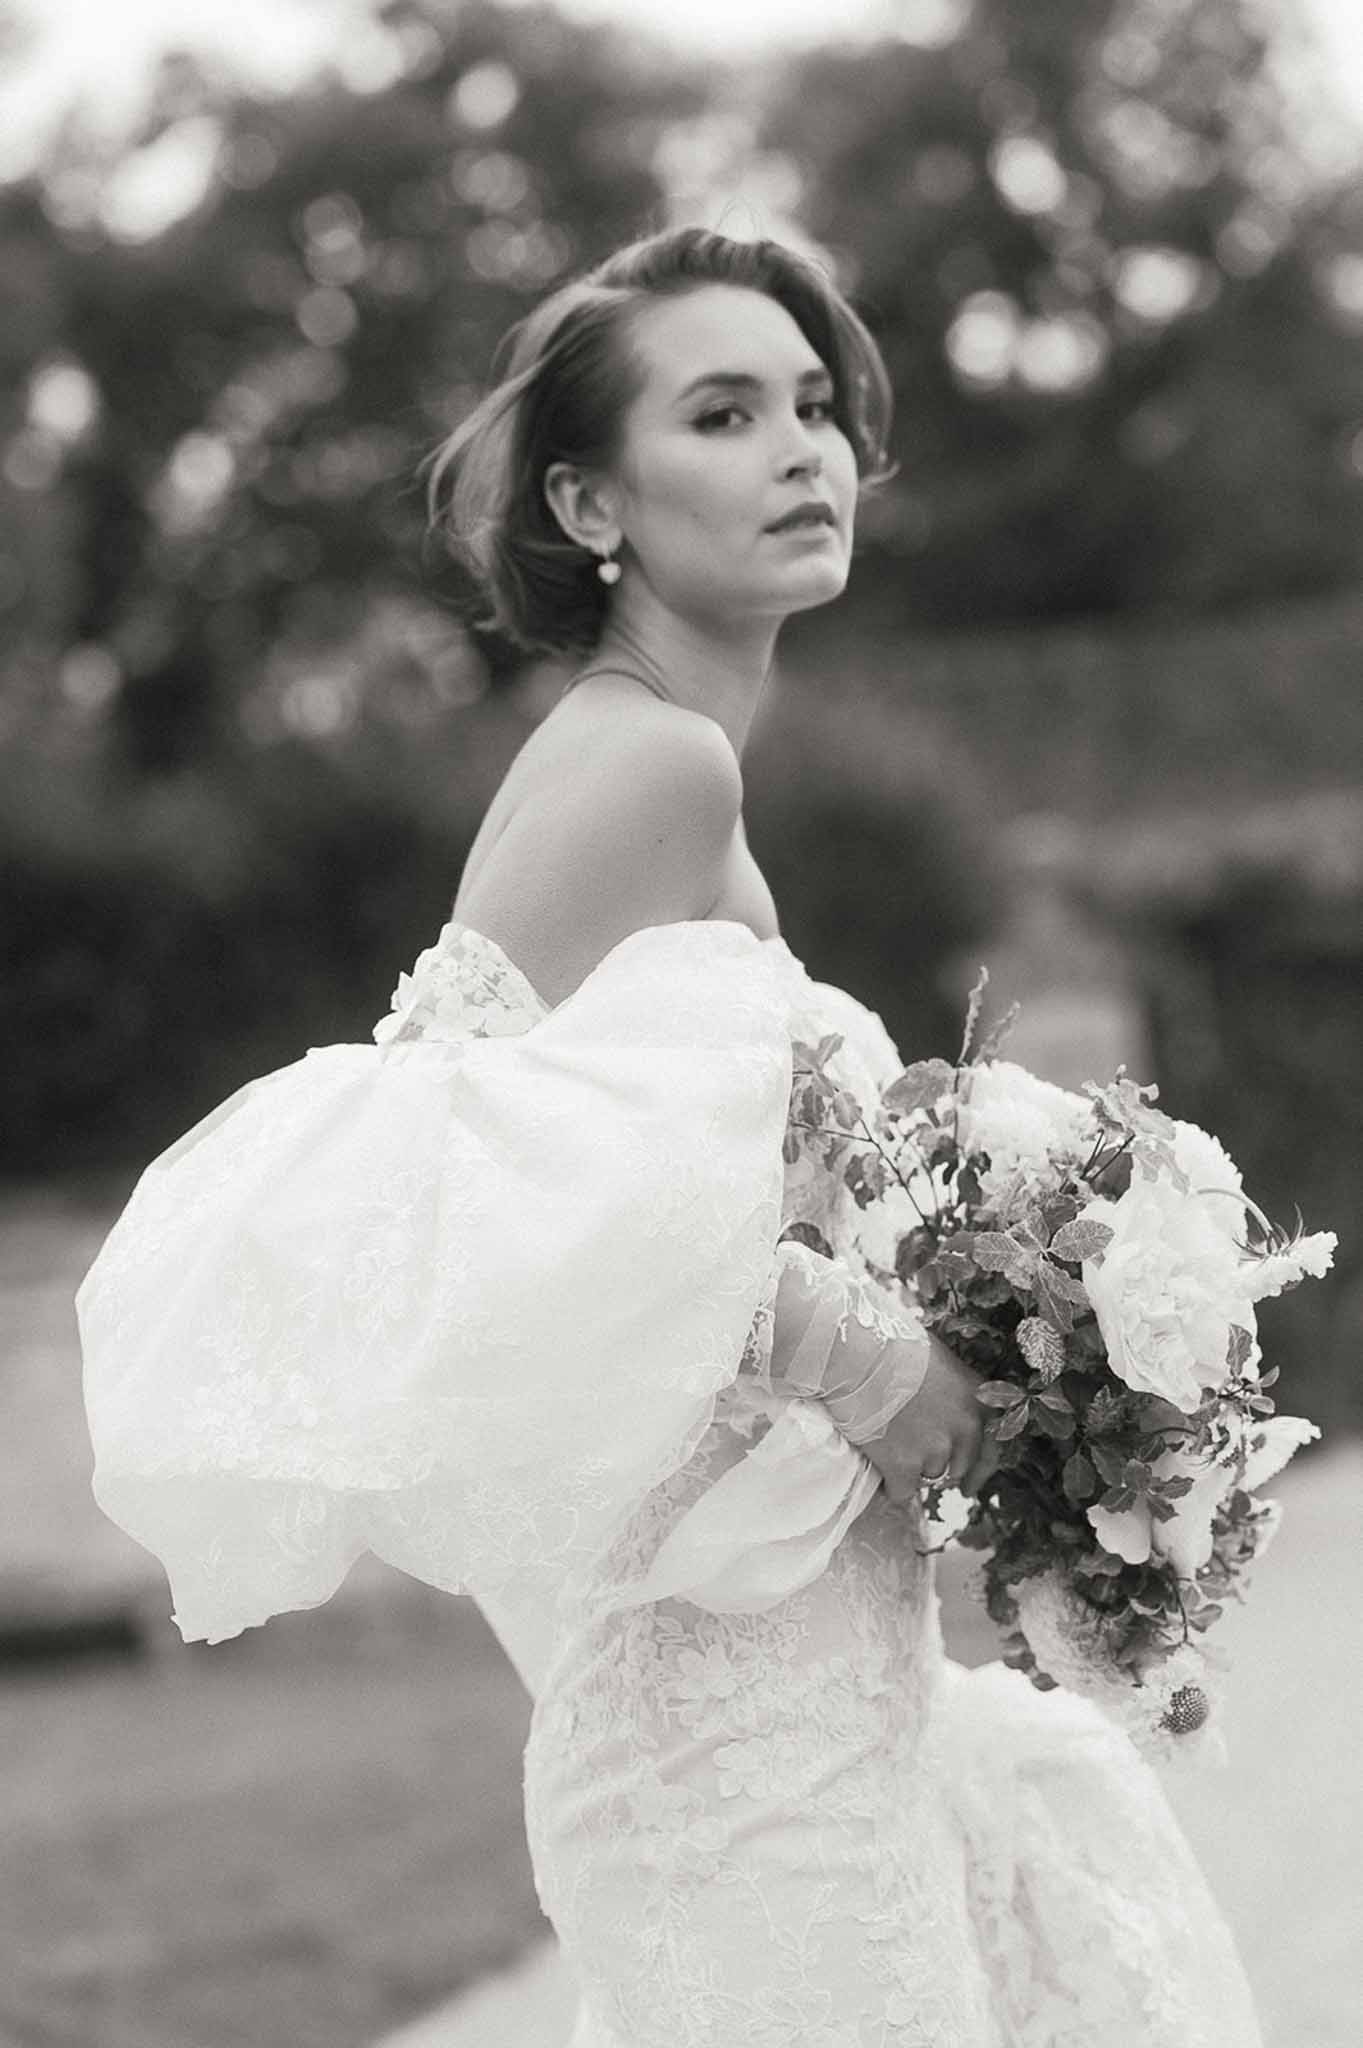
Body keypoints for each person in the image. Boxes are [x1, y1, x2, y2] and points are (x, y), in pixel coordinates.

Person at [78, 227, 1262, 2046]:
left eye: (812, 406)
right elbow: (425, 1188)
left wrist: (1025, 1370)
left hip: (813, 1691)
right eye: (722, 413)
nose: (801, 449)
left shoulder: (675, 771)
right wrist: (862, 1353)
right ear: (588, 497)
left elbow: (641, 1213)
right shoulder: (650, 766)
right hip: (728, 1739)